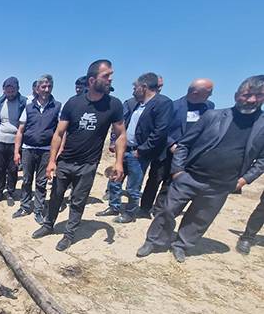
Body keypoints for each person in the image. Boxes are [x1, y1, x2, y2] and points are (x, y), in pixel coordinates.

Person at [137, 75, 264, 263]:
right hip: (190, 176)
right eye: (247, 95)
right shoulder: (213, 116)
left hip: (222, 184)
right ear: (237, 95)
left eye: (258, 95)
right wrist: (178, 170)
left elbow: (262, 159)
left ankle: (181, 245)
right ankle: (154, 241)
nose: (251, 99)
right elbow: (185, 144)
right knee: (167, 210)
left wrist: (244, 180)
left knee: (199, 219)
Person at [31, 60, 126, 251]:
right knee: (56, 195)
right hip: (65, 160)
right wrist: (51, 161)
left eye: (110, 75)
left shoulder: (114, 105)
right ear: (92, 80)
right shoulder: (73, 103)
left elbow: (121, 134)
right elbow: (58, 134)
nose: (110, 79)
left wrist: (119, 163)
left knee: (78, 200)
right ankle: (48, 225)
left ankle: (69, 234)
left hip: (88, 164)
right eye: (106, 76)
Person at [97, 73, 173, 223]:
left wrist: (142, 150)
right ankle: (114, 206)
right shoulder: (137, 104)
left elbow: (160, 132)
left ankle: (130, 213)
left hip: (139, 153)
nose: (133, 90)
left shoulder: (163, 103)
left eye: (135, 87)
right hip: (124, 150)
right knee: (115, 180)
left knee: (133, 186)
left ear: (143, 87)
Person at [139, 78, 214, 216]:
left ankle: (158, 210)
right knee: (155, 180)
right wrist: (171, 144)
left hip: (187, 155)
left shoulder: (209, 107)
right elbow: (161, 129)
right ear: (196, 93)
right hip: (166, 152)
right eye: (209, 92)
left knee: (171, 182)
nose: (211, 95)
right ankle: (144, 208)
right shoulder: (173, 106)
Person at [12, 75, 61, 222]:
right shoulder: (28, 107)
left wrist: (59, 151)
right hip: (28, 149)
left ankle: (38, 210)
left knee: (41, 182)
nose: (46, 90)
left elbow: (61, 131)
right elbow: (20, 131)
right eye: (43, 87)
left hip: (46, 151)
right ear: (37, 88)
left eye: (49, 87)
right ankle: (25, 206)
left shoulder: (57, 106)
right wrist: (16, 151)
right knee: (26, 180)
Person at [0, 77, 27, 206]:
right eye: (7, 91)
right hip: (0, 140)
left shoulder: (23, 103)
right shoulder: (0, 102)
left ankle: (10, 192)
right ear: (3, 90)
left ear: (17, 89)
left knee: (12, 169)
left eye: (12, 91)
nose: (10, 94)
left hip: (14, 143)